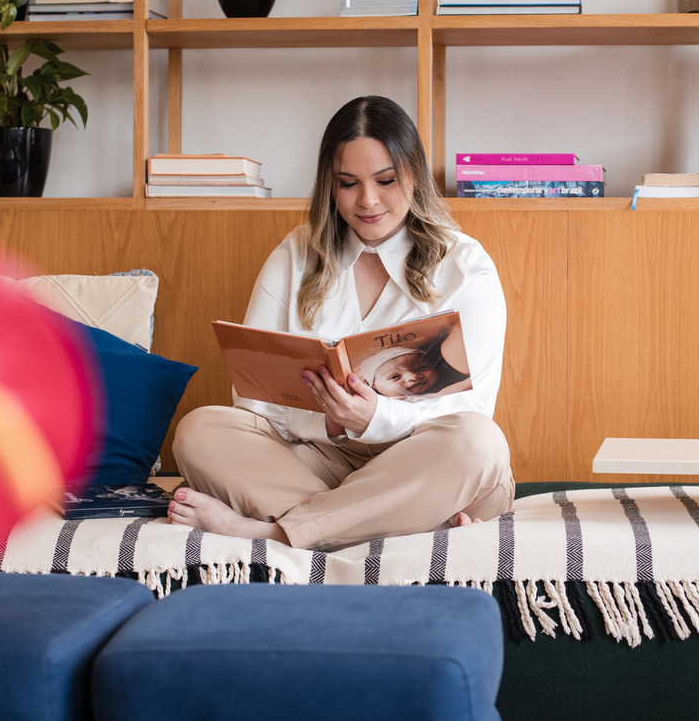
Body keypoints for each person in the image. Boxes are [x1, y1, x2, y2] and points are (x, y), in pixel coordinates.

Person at [168, 95, 512, 551]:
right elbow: (254, 400)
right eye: (348, 183)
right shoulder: (296, 253)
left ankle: (272, 533)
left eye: (385, 180)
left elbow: (471, 409)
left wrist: (375, 418)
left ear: (414, 174)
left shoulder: (465, 266)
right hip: (322, 459)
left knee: (479, 443)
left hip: (424, 462)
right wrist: (331, 424)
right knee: (200, 432)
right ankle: (394, 524)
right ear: (329, 186)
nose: (367, 201)